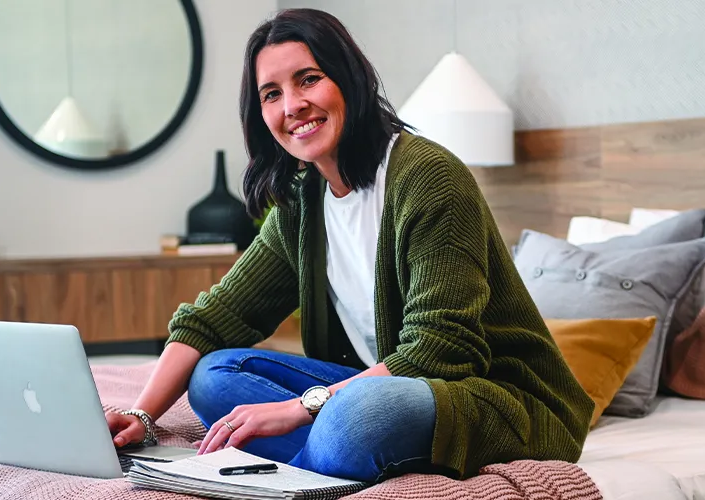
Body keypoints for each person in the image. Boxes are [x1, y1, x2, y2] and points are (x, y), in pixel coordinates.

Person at [105, 8, 593, 483]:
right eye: (271, 93)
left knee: (355, 417)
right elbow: (216, 318)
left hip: (493, 396)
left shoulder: (428, 178)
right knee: (214, 374)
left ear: (349, 80)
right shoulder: (302, 200)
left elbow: (441, 351)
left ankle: (305, 466)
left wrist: (300, 407)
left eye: (308, 79)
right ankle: (333, 456)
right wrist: (142, 415)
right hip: (385, 386)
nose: (292, 105)